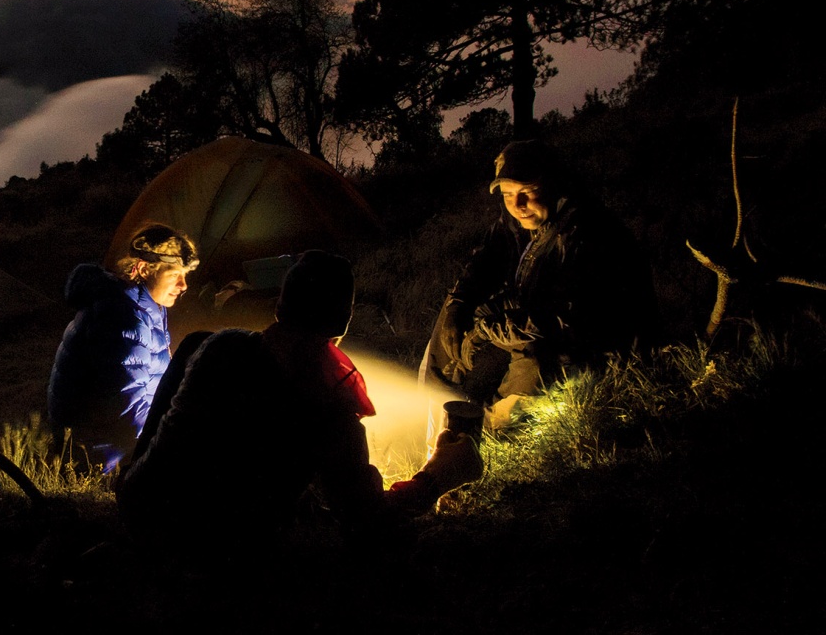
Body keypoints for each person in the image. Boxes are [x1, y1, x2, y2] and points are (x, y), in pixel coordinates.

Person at [116, 251, 482, 559]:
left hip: (139, 512)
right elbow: (369, 520)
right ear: (343, 324)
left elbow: (161, 436)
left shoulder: (208, 345)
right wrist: (437, 476)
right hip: (213, 553)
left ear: (279, 307)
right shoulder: (330, 413)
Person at [420, 140, 661, 426]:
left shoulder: (586, 234)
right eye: (508, 194)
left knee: (531, 372)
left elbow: (563, 321)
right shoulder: (523, 219)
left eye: (527, 191)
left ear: (552, 183)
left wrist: (485, 332)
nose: (517, 204)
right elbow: (485, 262)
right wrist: (460, 307)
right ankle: (437, 413)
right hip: (540, 321)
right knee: (454, 313)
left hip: (594, 350)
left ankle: (488, 434)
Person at [47, 223, 199, 471]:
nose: (184, 285)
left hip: (115, 440)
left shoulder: (144, 308)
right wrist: (171, 431)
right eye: (174, 275)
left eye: (184, 276)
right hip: (100, 454)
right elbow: (124, 410)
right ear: (143, 269)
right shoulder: (123, 317)